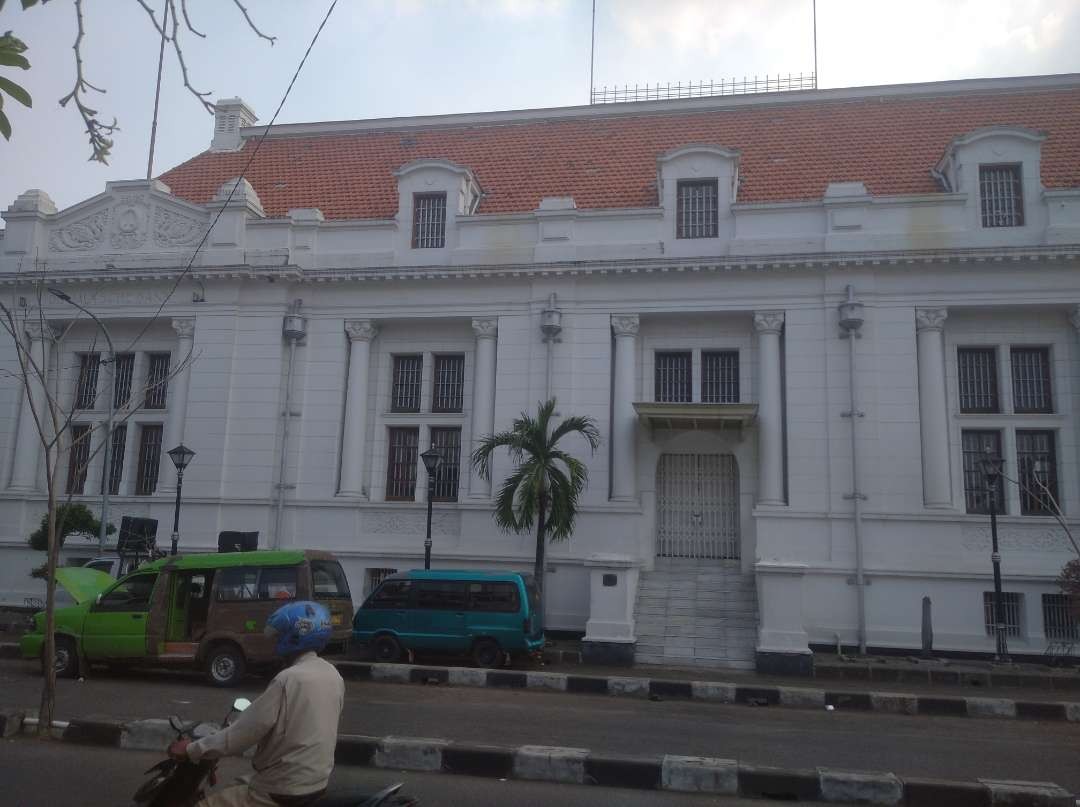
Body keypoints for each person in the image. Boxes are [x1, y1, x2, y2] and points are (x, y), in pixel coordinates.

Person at [169, 601, 345, 807]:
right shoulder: (333, 675)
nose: (275, 641)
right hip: (315, 783)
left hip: (282, 787)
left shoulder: (288, 679)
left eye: (280, 635)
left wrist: (192, 749)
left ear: (293, 637)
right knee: (237, 784)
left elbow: (243, 734)